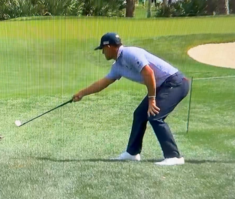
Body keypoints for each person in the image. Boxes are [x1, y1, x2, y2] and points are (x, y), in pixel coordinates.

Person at [72, 33, 190, 166]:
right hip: (163, 86)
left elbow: (148, 73)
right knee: (140, 114)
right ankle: (132, 153)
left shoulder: (129, 53)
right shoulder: (118, 66)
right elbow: (103, 83)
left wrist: (152, 100)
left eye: (103, 49)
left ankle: (174, 156)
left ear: (110, 47)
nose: (102, 52)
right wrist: (81, 93)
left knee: (155, 115)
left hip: (175, 83)